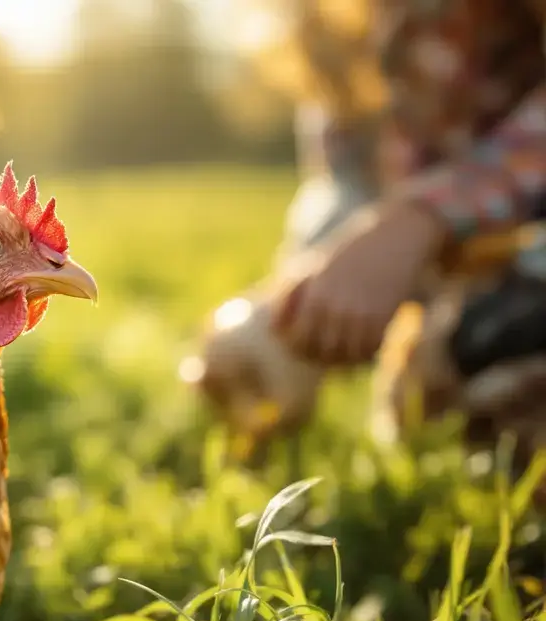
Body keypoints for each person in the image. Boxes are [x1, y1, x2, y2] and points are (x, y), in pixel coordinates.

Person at [207, 1, 546, 443]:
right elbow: (347, 185)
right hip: (469, 291)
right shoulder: (334, 26)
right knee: (442, 400)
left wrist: (422, 217)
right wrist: (287, 310)